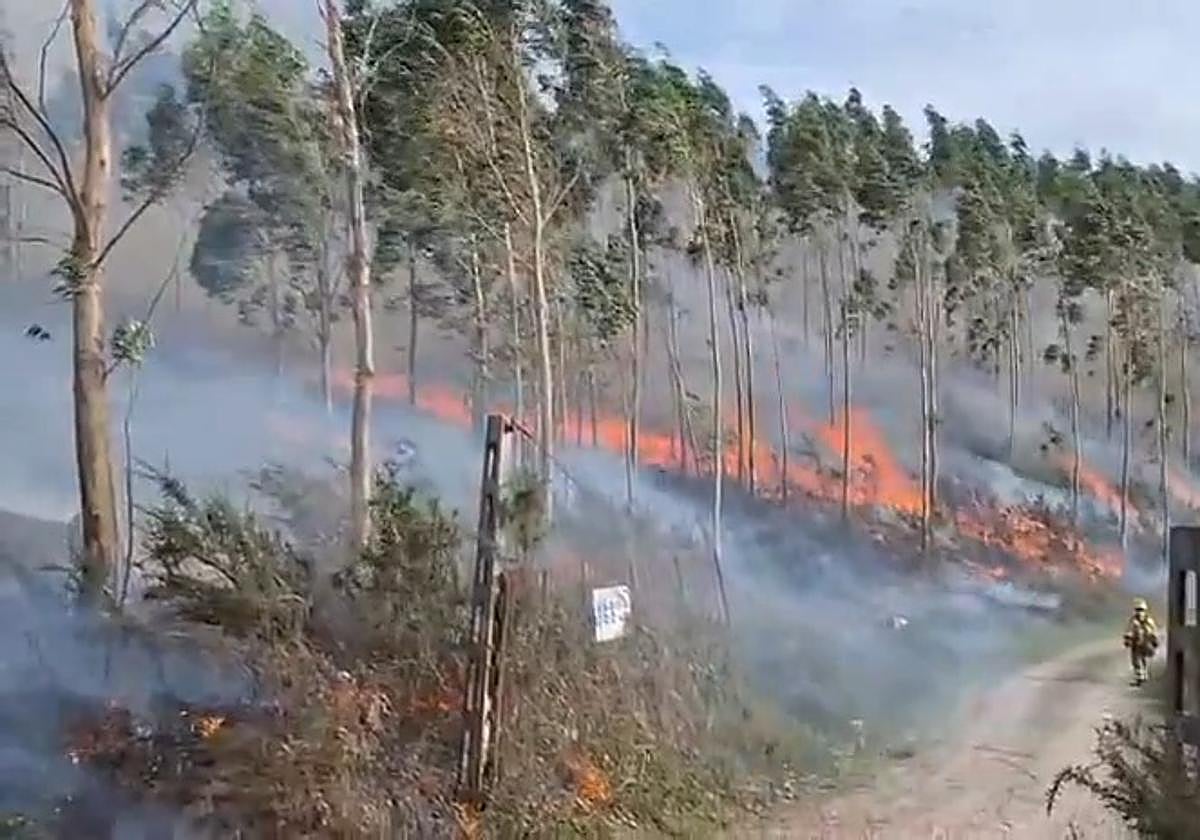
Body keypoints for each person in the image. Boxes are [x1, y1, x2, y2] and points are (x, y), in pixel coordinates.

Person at [1123, 598, 1159, 686]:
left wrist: (1154, 640)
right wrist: (1128, 639)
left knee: (1142, 660)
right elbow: (1129, 630)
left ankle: (1143, 675)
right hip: (1136, 643)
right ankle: (1140, 676)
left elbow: (1153, 631)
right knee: (1136, 661)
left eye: (1141, 610)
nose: (1139, 612)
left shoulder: (1148, 621)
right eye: (1138, 610)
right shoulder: (1133, 621)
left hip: (1146, 642)